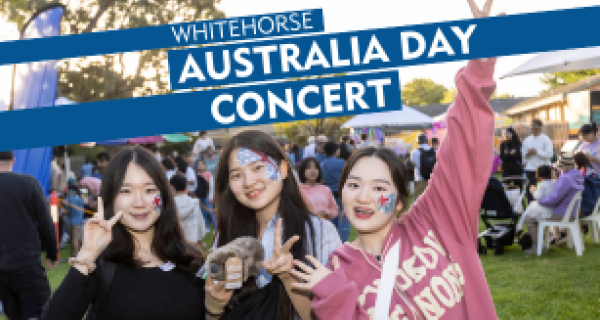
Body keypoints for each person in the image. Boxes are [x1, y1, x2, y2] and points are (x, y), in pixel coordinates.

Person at [288, 6, 503, 317]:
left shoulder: (439, 220)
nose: (363, 197)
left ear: (401, 200)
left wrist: (479, 65)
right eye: (354, 185)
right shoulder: (337, 271)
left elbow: (463, 145)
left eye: (379, 188)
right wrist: (335, 296)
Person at [41, 146, 233, 320]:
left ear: (164, 196)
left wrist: (214, 308)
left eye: (150, 190)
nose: (139, 202)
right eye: (126, 191)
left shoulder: (190, 258)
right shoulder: (100, 264)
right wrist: (86, 255)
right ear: (111, 198)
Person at [210, 130, 342, 319]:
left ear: (282, 169)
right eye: (237, 175)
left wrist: (288, 277)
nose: (249, 182)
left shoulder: (320, 232)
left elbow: (335, 312)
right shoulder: (226, 235)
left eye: (257, 168)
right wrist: (213, 304)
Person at [0, 150, 58, 320]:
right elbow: (46, 223)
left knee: (13, 314)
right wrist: (52, 253)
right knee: (40, 313)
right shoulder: (28, 183)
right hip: (26, 263)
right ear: (13, 160)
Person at [523, 154, 584, 254]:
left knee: (529, 218)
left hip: (562, 214)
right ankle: (542, 242)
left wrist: (540, 201)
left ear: (563, 167)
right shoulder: (577, 175)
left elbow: (554, 199)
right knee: (536, 215)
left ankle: (539, 247)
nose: (557, 170)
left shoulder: (566, 178)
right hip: (571, 212)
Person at [321, 142, 351, 242]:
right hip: (342, 193)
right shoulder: (341, 162)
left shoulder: (322, 164)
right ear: (335, 150)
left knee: (332, 221)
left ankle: (334, 243)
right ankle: (344, 244)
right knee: (344, 222)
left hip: (328, 195)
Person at [516, 165, 555, 234]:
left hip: (544, 209)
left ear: (540, 175)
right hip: (552, 209)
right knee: (531, 206)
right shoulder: (554, 182)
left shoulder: (542, 184)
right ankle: (519, 226)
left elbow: (537, 197)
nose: (535, 176)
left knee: (529, 209)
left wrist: (533, 191)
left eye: (536, 174)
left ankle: (519, 226)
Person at [522, 119, 553, 202]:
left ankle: (545, 206)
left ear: (540, 127)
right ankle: (531, 209)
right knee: (529, 190)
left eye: (535, 126)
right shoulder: (527, 140)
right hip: (530, 169)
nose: (533, 128)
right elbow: (522, 154)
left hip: (543, 170)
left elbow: (549, 155)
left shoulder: (546, 139)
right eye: (531, 126)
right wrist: (528, 153)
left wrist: (536, 152)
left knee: (545, 190)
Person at [171, 174, 205, 243]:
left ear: (172, 187)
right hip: (191, 242)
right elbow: (200, 223)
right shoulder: (194, 203)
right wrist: (200, 239)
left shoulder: (169, 205)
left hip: (174, 243)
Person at [411, 133, 436, 200]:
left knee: (418, 202)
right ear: (427, 141)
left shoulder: (414, 152)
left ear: (418, 142)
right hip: (433, 180)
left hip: (420, 179)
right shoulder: (434, 151)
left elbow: (413, 163)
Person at [65, 184, 86, 256]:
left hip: (70, 221)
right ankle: (77, 253)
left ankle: (79, 252)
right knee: (77, 238)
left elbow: (65, 210)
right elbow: (85, 202)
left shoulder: (66, 200)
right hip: (78, 222)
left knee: (75, 238)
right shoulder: (79, 199)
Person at [195, 159, 216, 231]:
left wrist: (211, 196)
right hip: (200, 196)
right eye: (198, 165)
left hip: (208, 196)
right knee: (203, 212)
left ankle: (215, 227)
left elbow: (211, 186)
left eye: (201, 164)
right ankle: (206, 226)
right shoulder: (196, 175)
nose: (200, 166)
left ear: (204, 165)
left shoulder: (209, 174)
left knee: (210, 212)